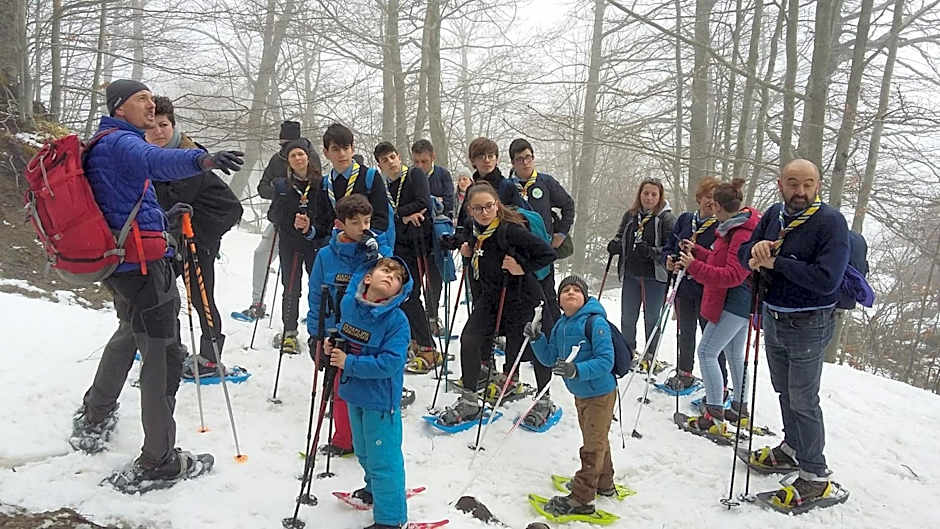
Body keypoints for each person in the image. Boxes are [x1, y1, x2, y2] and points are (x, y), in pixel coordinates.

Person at [71, 79, 242, 491]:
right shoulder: (122, 143)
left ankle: (95, 414)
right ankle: (159, 460)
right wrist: (202, 160)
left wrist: (162, 221)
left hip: (125, 263)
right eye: (140, 99)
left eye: (151, 98)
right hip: (146, 270)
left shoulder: (103, 144)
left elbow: (120, 204)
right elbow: (156, 160)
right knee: (163, 355)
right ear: (119, 108)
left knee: (129, 332)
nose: (150, 105)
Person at [738, 158, 850, 507]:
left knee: (804, 399)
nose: (799, 191)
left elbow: (827, 279)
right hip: (774, 316)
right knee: (784, 390)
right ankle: (792, 448)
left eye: (807, 184)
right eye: (792, 183)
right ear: (780, 183)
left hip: (809, 322)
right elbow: (745, 254)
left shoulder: (831, 222)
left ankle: (816, 475)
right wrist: (754, 253)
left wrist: (777, 261)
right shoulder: (774, 215)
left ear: (817, 185)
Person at [436, 182, 555, 427]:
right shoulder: (474, 229)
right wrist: (467, 252)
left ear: (496, 205)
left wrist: (521, 267)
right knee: (469, 339)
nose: (484, 212)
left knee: (535, 348)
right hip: (492, 297)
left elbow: (548, 254)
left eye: (488, 206)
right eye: (478, 208)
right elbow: (478, 255)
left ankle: (544, 401)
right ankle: (469, 401)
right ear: (469, 210)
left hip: (523, 298)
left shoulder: (510, 230)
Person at [148, 96, 243, 379]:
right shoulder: (147, 158)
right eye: (152, 126)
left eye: (164, 125)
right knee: (159, 295)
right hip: (168, 240)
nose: (158, 132)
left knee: (201, 298)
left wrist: (200, 238)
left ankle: (211, 359)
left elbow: (231, 208)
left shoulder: (190, 159)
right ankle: (165, 348)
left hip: (196, 241)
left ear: (173, 126)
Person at [326, 257, 412, 529]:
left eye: (397, 277)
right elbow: (346, 335)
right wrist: (333, 344)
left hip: (379, 399)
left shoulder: (397, 321)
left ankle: (391, 519)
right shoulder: (350, 304)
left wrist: (348, 363)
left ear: (399, 291)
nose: (390, 277)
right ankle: (374, 490)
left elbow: (391, 363)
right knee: (364, 452)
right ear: (367, 277)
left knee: (383, 458)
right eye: (385, 271)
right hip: (353, 392)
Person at [308, 194, 391, 457]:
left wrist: (376, 257)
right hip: (336, 333)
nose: (363, 227)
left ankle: (368, 443)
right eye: (355, 222)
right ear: (340, 223)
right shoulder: (325, 256)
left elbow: (395, 281)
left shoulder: (378, 250)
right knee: (338, 388)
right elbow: (315, 296)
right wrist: (315, 335)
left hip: (367, 334)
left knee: (366, 389)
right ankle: (343, 440)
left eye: (366, 221)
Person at [675, 179, 760, 435]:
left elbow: (733, 273)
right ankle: (739, 408)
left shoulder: (740, 232)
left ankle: (713, 414)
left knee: (707, 352)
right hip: (740, 300)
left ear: (721, 207)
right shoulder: (735, 226)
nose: (712, 210)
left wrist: (693, 266)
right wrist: (698, 252)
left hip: (735, 300)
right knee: (734, 353)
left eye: (714, 205)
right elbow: (720, 258)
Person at [527, 275, 617, 516]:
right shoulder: (560, 326)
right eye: (565, 290)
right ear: (559, 300)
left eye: (577, 290)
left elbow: (606, 361)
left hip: (600, 393)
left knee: (592, 447)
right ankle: (604, 484)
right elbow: (549, 359)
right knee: (597, 439)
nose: (570, 293)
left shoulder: (595, 323)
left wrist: (577, 370)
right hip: (580, 393)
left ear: (585, 297)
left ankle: (582, 499)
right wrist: (537, 339)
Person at [373, 141, 441, 371]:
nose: (390, 162)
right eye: (385, 160)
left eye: (393, 157)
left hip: (418, 244)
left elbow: (423, 204)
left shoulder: (414, 175)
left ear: (399, 156)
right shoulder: (382, 185)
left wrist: (399, 215)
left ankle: (428, 347)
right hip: (396, 246)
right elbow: (382, 214)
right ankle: (414, 340)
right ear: (380, 164)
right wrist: (403, 215)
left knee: (410, 295)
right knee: (402, 296)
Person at [237, 121, 310, 321]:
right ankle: (257, 302)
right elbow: (262, 187)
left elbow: (317, 184)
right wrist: (280, 193)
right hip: (279, 218)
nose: (285, 148)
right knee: (261, 254)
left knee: (310, 266)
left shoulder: (310, 157)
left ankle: (314, 310)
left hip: (307, 222)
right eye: (283, 144)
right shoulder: (277, 161)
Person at [662, 177, 727, 392]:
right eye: (708, 197)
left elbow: (720, 260)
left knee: (711, 338)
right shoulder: (685, 219)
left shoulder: (722, 226)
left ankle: (720, 382)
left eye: (716, 198)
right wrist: (670, 260)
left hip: (708, 290)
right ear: (699, 198)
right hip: (684, 287)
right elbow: (670, 246)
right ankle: (685, 372)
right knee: (685, 331)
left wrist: (695, 263)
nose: (711, 202)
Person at [507, 138, 575, 341]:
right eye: (520, 159)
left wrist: (561, 234)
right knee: (522, 299)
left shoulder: (545, 182)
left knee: (547, 298)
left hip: (543, 252)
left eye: (528, 157)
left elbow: (568, 206)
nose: (525, 162)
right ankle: (526, 345)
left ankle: (555, 340)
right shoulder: (508, 187)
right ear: (513, 162)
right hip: (518, 254)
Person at [607, 178, 676, 372]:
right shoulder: (631, 215)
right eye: (646, 193)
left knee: (652, 318)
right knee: (628, 316)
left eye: (654, 194)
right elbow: (620, 235)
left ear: (660, 196)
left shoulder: (666, 218)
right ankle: (628, 351)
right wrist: (615, 245)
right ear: (640, 194)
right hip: (631, 273)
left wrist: (651, 251)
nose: (649, 197)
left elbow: (671, 248)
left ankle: (650, 355)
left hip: (654, 276)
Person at [267, 140, 324, 353]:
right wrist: (287, 213)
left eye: (301, 154)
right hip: (290, 242)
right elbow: (272, 214)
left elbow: (326, 214)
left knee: (318, 287)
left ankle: (319, 332)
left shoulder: (320, 183)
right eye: (293, 156)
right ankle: (289, 332)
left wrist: (311, 224)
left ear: (308, 157)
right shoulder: (282, 185)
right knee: (291, 287)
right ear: (288, 161)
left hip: (314, 243)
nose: (298, 159)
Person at [313, 123, 392, 250]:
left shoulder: (370, 177)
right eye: (335, 149)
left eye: (346, 148)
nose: (342, 154)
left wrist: (358, 239)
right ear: (326, 153)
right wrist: (308, 229)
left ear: (352, 149)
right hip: (336, 250)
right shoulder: (324, 184)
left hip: (366, 249)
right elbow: (321, 225)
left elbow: (381, 220)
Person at [411, 139, 455, 335]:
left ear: (433, 158)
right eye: (417, 162)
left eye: (424, 162)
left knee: (434, 279)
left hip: (436, 236)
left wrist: (428, 202)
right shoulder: (410, 176)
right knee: (414, 280)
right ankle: (416, 318)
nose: (420, 166)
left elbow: (447, 203)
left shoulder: (442, 175)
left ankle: (432, 315)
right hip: (415, 235)